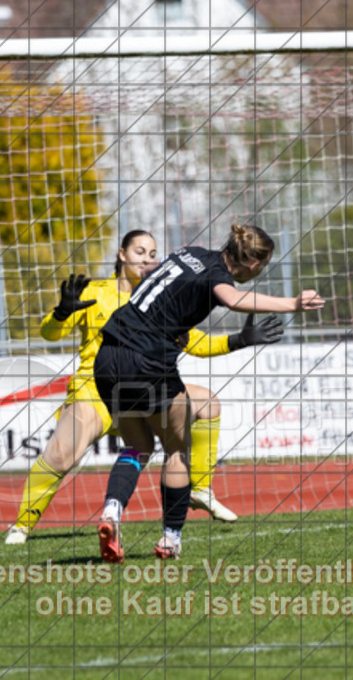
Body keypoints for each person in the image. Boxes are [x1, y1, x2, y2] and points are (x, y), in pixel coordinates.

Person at [4, 229, 283, 545]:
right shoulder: (97, 291)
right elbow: (50, 334)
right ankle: (21, 527)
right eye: (140, 252)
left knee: (207, 404)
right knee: (61, 457)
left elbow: (197, 343)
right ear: (122, 254)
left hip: (144, 383)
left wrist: (238, 341)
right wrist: (61, 312)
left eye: (153, 254)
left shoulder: (164, 292)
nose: (148, 259)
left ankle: (199, 489)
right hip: (94, 391)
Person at [94, 223, 325, 562]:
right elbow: (231, 299)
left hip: (108, 355)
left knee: (138, 446)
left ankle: (111, 513)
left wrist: (187, 330)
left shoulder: (190, 253)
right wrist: (292, 303)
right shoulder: (219, 275)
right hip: (147, 361)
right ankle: (170, 540)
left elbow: (165, 296)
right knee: (177, 452)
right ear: (254, 264)